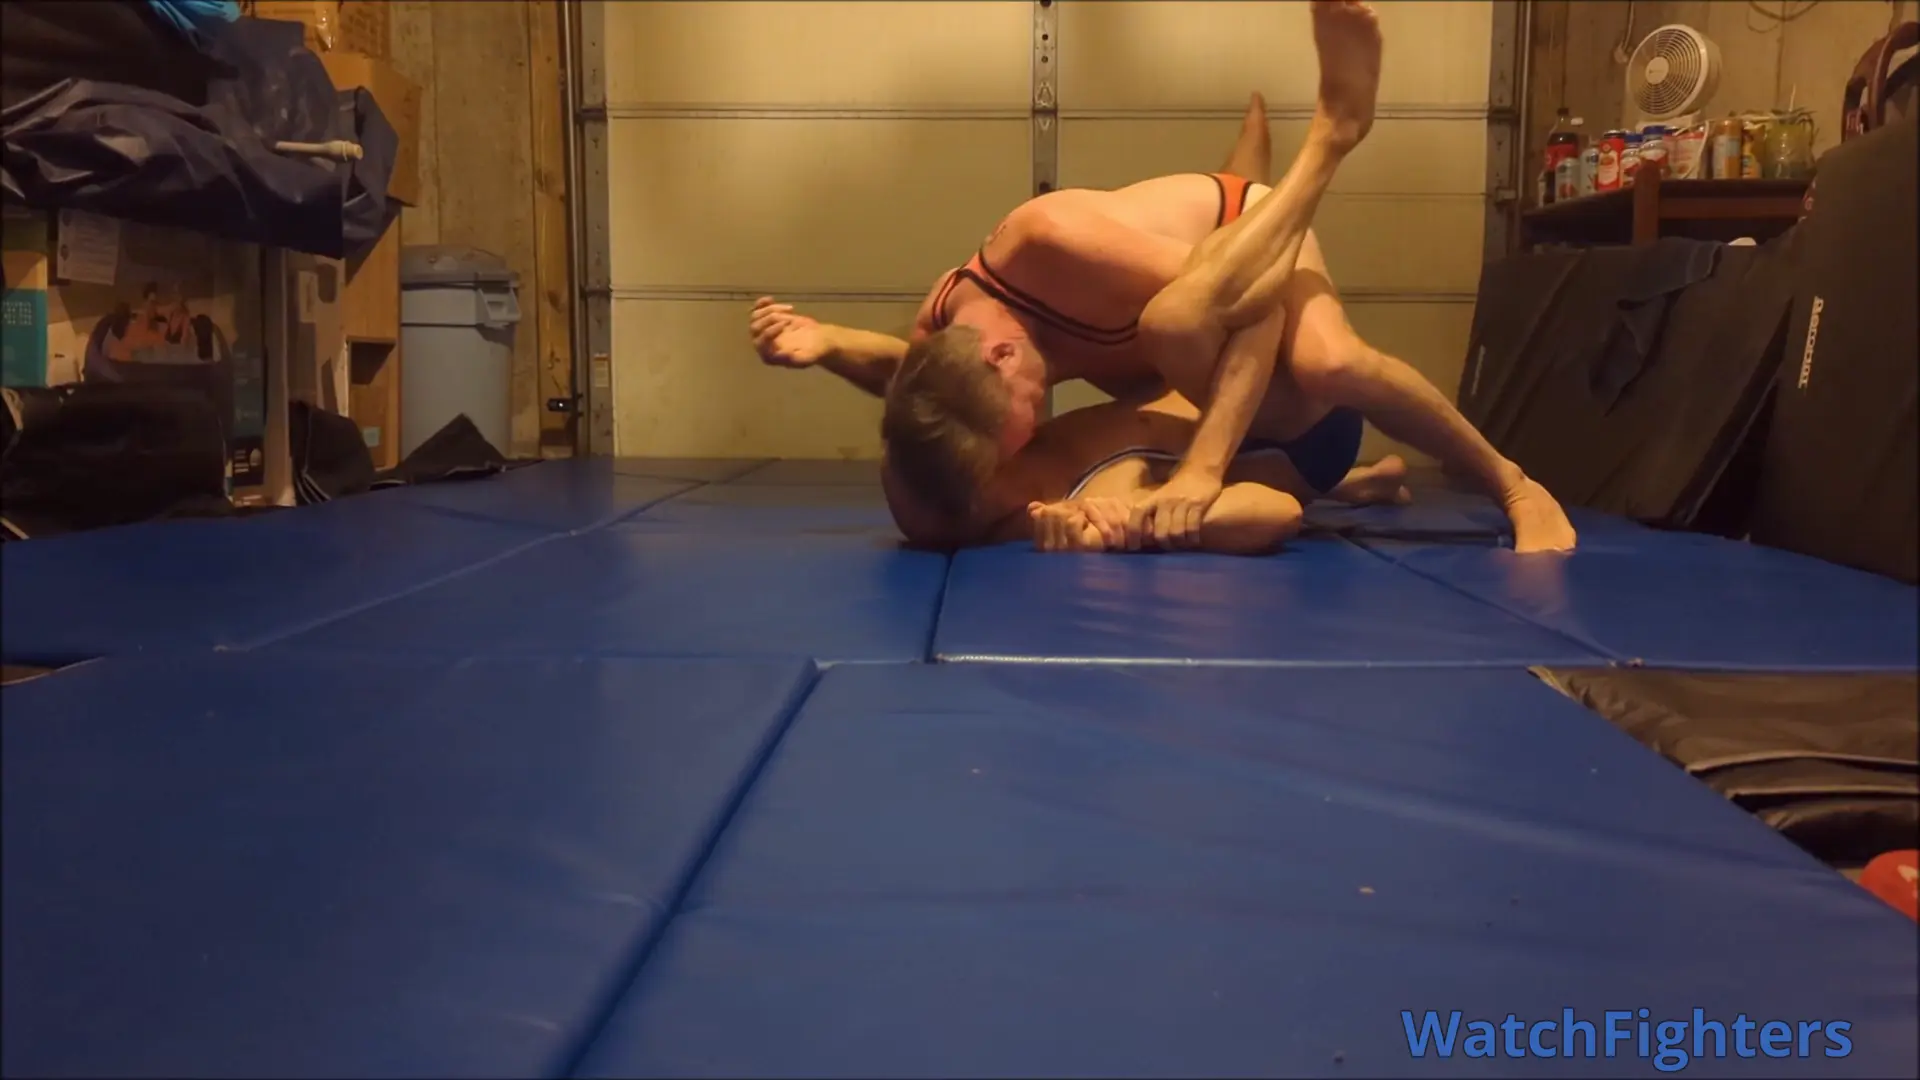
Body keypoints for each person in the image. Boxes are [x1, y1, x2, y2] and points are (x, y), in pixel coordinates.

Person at [751, 1, 1577, 554]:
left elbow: (1252, 311)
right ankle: (1360, 482)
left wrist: (1201, 474)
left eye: (1022, 426)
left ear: (1002, 356)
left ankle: (1332, 137)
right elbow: (915, 395)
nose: (1032, 438)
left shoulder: (1048, 244)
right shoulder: (952, 362)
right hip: (1211, 350)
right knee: (1173, 334)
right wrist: (827, 343)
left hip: (1243, 238)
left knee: (1300, 355)